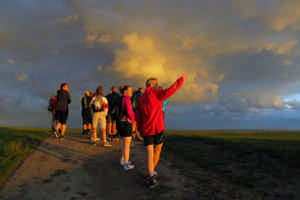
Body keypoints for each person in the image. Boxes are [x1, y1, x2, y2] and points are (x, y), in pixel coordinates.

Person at [136, 74, 186, 188]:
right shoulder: (157, 93)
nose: (158, 85)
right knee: (157, 151)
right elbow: (171, 90)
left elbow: (138, 115)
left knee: (149, 153)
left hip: (146, 130)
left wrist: (139, 129)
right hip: (158, 128)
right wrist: (181, 80)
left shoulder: (141, 98)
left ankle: (151, 174)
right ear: (152, 85)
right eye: (156, 83)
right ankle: (151, 173)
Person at [118, 86, 136, 170]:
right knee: (127, 144)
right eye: (130, 90)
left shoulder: (121, 98)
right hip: (126, 123)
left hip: (121, 122)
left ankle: (123, 159)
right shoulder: (127, 99)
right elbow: (129, 111)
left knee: (124, 143)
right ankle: (126, 163)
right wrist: (132, 120)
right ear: (125, 92)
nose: (131, 92)